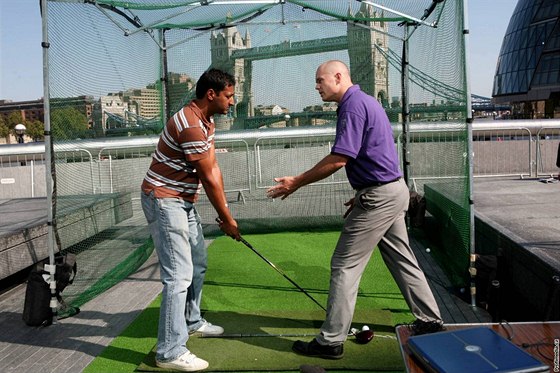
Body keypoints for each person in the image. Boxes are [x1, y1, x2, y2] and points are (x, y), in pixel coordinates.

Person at [267, 60, 444, 359]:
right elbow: (373, 154)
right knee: (402, 258)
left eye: (320, 80)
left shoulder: (352, 106)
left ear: (338, 77)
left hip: (380, 196)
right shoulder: (365, 102)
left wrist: (296, 182)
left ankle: (331, 340)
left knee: (344, 265)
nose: (316, 86)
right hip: (393, 191)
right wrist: (363, 192)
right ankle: (430, 320)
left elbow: (340, 158)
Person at [141, 68, 240, 371]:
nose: (232, 102)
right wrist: (227, 219)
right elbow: (208, 177)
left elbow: (213, 168)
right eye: (229, 96)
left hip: (182, 200)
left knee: (197, 261)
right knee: (179, 275)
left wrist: (226, 215)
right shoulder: (189, 125)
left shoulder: (206, 121)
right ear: (211, 94)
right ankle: (169, 351)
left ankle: (191, 320)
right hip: (164, 199)